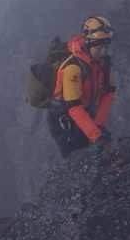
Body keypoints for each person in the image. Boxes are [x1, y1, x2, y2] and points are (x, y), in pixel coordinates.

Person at [47, 15, 117, 157]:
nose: (103, 52)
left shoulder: (103, 63)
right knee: (77, 156)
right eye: (99, 48)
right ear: (88, 43)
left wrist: (98, 126)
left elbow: (108, 95)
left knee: (97, 150)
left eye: (106, 47)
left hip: (84, 113)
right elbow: (73, 107)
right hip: (65, 121)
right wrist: (96, 135)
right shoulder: (73, 68)